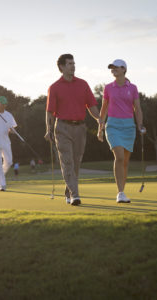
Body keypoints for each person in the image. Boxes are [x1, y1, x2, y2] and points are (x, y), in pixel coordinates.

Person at [44, 53, 101, 206]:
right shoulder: (54, 87)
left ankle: (68, 190)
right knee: (67, 162)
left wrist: (100, 120)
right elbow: (49, 112)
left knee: (76, 163)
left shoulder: (83, 84)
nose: (73, 66)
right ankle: (75, 195)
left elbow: (92, 106)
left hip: (80, 128)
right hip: (62, 128)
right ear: (62, 67)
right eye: (70, 64)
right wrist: (48, 129)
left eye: (74, 63)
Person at [97, 59, 146, 203]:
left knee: (124, 161)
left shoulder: (133, 88)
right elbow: (104, 108)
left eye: (116, 67)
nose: (113, 70)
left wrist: (140, 125)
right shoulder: (108, 88)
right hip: (112, 125)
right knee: (118, 156)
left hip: (129, 127)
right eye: (111, 68)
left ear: (124, 69)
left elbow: (137, 108)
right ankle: (120, 193)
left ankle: (122, 192)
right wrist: (100, 128)